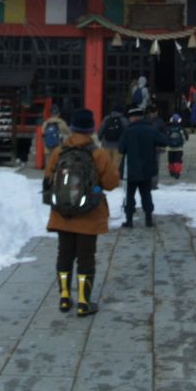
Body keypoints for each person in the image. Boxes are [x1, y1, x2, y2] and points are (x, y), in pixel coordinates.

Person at [44, 108, 119, 317]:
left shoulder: (59, 152)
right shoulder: (98, 154)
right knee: (86, 258)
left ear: (73, 127)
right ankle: (84, 302)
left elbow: (48, 178)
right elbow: (112, 182)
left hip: (62, 214)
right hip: (89, 215)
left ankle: (65, 297)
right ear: (91, 128)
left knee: (64, 254)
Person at [118, 107, 169, 228]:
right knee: (146, 194)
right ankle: (148, 219)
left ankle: (129, 220)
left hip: (131, 169)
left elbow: (121, 148)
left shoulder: (128, 131)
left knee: (130, 195)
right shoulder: (151, 130)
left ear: (132, 118)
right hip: (147, 168)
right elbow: (164, 141)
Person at [97, 104, 128, 169]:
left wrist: (99, 138)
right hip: (118, 146)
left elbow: (101, 129)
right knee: (116, 166)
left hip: (106, 144)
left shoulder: (106, 118)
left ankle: (107, 178)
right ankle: (114, 177)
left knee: (107, 164)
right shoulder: (123, 120)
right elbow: (127, 133)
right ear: (121, 111)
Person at [166, 113, 189, 179]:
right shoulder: (181, 128)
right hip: (179, 148)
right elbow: (186, 137)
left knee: (171, 161)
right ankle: (177, 172)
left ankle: (172, 172)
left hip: (170, 148)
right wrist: (182, 143)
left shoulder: (168, 128)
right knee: (178, 161)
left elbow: (165, 137)